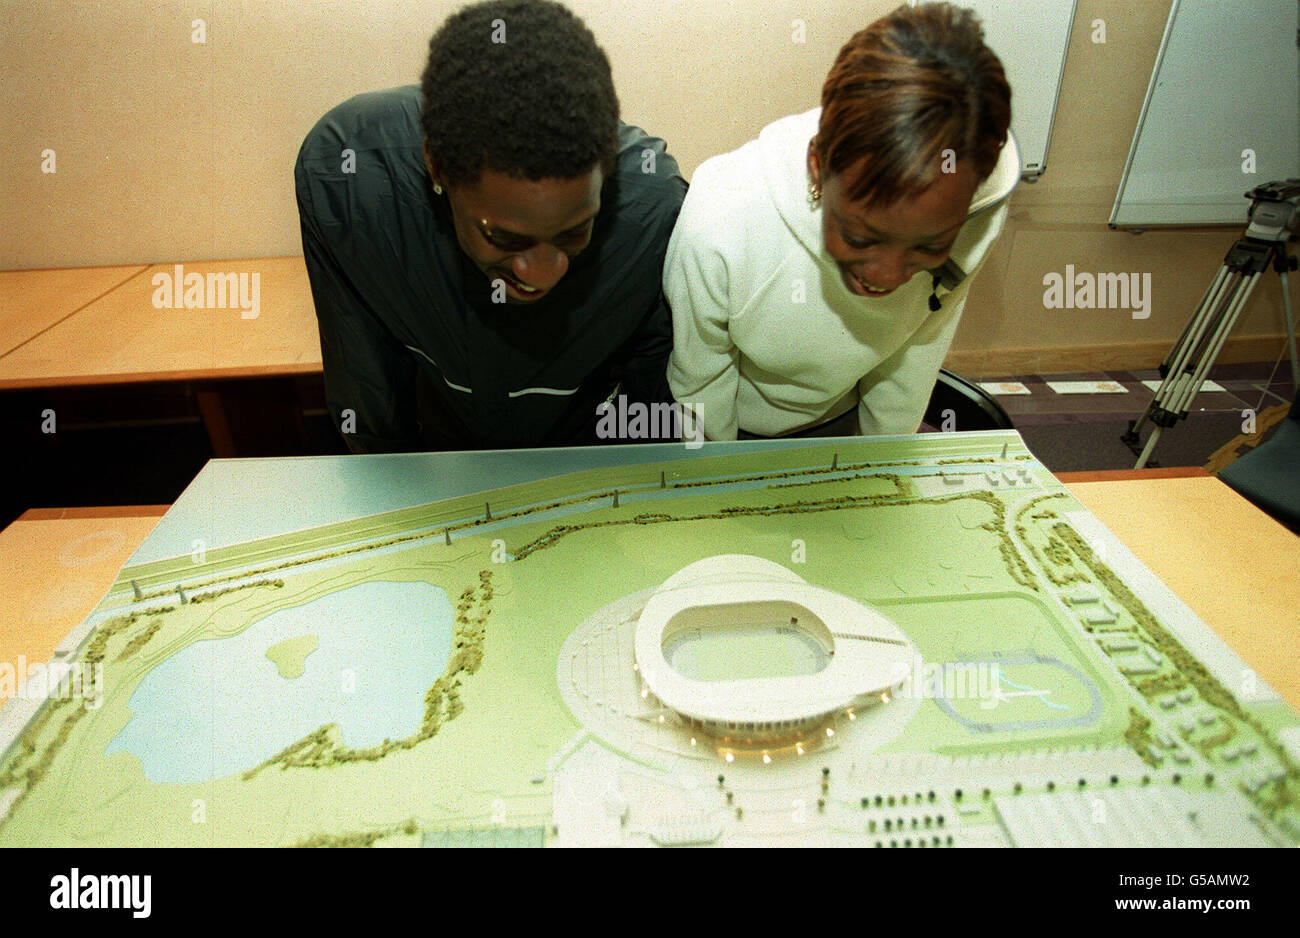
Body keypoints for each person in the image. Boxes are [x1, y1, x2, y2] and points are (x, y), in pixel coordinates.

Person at [296, 0, 687, 453]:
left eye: (574, 231)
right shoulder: (348, 179)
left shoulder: (653, 210)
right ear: (437, 167)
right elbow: (366, 381)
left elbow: (656, 399)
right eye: (504, 236)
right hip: (442, 455)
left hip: (590, 449)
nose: (541, 272)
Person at [664, 2, 1018, 441]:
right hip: (729, 423)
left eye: (927, 247)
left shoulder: (974, 203)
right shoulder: (721, 222)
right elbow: (701, 382)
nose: (887, 277)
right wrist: (717, 484)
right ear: (817, 165)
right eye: (861, 236)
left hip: (839, 421)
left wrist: (876, 475)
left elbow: (913, 358)